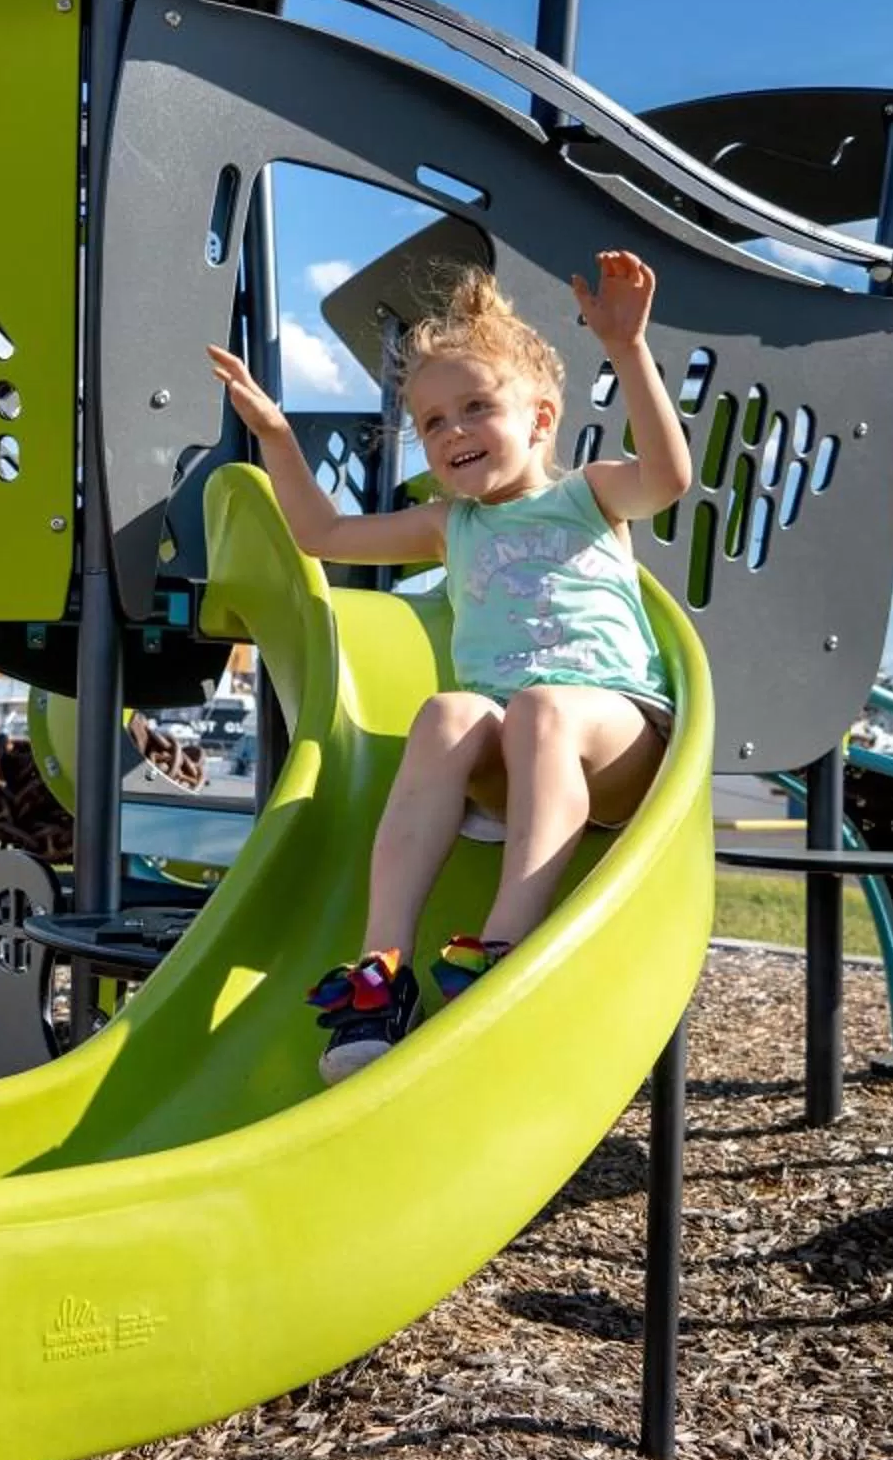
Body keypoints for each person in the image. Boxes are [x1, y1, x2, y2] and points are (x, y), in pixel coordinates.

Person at [208, 249, 692, 1084]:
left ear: (540, 420)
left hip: (619, 741)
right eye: (433, 423)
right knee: (447, 713)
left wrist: (627, 349)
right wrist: (278, 437)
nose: (454, 431)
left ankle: (504, 950)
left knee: (543, 706)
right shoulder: (449, 525)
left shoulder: (589, 495)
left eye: (476, 408)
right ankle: (382, 972)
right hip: (515, 755)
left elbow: (669, 476)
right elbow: (324, 537)